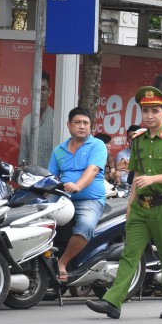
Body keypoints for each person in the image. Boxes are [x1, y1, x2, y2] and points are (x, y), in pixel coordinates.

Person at [85, 86, 162, 319]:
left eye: (154, 111)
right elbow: (137, 175)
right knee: (129, 254)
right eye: (145, 111)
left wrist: (154, 179)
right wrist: (131, 203)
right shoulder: (139, 140)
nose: (149, 116)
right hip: (141, 207)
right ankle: (113, 302)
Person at [48, 107, 108, 282]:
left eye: (86, 123)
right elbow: (52, 176)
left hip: (90, 200)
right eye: (78, 122)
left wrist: (77, 186)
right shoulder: (59, 150)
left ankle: (62, 262)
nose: (82, 126)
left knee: (86, 225)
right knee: (36, 218)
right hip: (63, 198)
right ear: (68, 125)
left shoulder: (97, 145)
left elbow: (93, 169)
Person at [18, 71, 55, 167]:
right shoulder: (26, 121)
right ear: (31, 92)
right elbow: (23, 157)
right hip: (32, 179)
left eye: (43, 89)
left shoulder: (56, 120)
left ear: (49, 92)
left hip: (53, 180)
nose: (40, 94)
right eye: (36, 90)